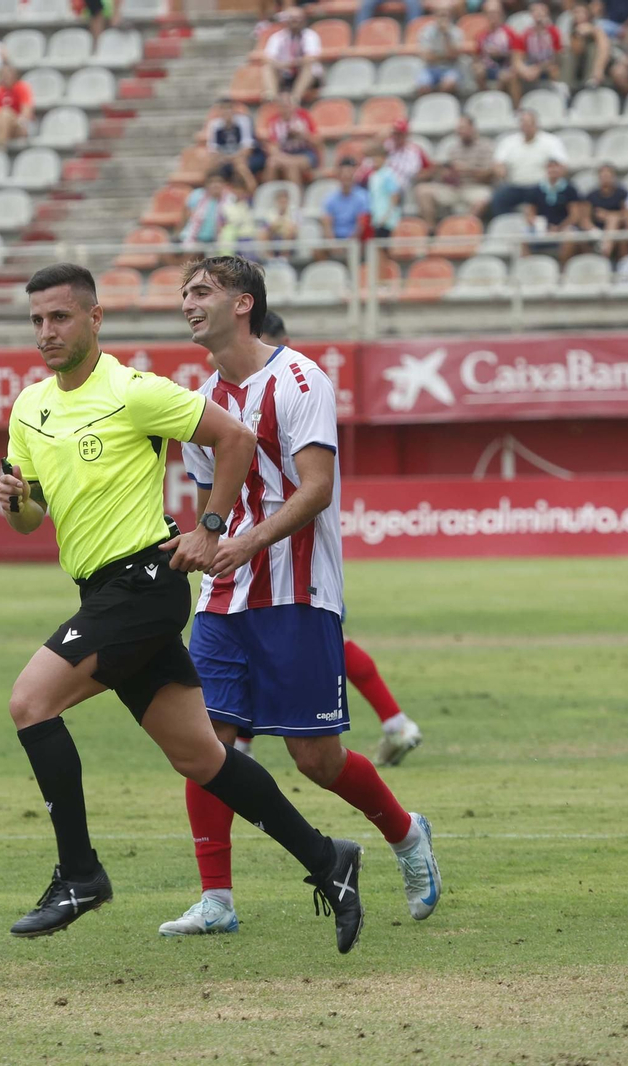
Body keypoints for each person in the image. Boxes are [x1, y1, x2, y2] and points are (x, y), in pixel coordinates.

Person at [0, 262, 365, 951]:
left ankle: (79, 874)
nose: (47, 332)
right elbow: (32, 514)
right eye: (38, 320)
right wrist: (19, 505)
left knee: (29, 702)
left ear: (94, 318)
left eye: (61, 317)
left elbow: (238, 439)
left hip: (144, 582)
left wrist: (213, 527)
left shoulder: (135, 391)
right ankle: (328, 860)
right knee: (203, 758)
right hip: (100, 591)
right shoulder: (29, 407)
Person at [158, 257, 439, 939]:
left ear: (243, 303)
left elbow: (316, 488)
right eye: (185, 294)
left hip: (299, 590)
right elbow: (209, 503)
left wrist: (247, 542)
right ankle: (217, 900)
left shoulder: (301, 378)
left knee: (315, 760)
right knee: (206, 746)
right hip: (224, 597)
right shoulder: (201, 399)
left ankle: (406, 836)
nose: (188, 304)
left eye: (202, 293)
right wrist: (202, 541)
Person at [254, 311, 426, 769]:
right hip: (270, 557)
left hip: (299, 556)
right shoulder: (236, 390)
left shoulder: (300, 385)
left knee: (286, 651)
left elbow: (314, 484)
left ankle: (237, 749)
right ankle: (395, 722)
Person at [415, 115, 493, 225]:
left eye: (463, 128)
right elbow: (442, 173)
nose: (460, 132)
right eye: (458, 129)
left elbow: (489, 175)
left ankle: (465, 229)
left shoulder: (485, 146)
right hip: (454, 188)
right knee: (422, 191)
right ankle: (431, 231)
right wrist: (445, 174)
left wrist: (467, 170)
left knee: (484, 199)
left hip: (474, 187)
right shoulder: (452, 147)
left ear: (472, 128)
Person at [489, 109, 567, 218]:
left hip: (541, 187)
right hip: (515, 186)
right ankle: (505, 227)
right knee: (499, 198)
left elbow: (562, 164)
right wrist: (500, 170)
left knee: (555, 198)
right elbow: (498, 163)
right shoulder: (508, 142)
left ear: (536, 124)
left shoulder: (551, 141)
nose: (526, 127)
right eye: (523, 123)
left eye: (529, 124)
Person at [521, 157, 589, 263]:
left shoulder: (569, 189)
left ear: (561, 170)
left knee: (570, 235)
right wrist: (540, 226)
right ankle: (528, 265)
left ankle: (562, 267)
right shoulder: (535, 190)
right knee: (524, 235)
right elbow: (530, 213)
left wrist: (559, 228)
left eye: (556, 167)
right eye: (550, 167)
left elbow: (574, 215)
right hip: (542, 228)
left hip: (563, 227)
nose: (553, 170)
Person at [262, 7, 322, 105]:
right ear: (287, 21)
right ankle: (272, 97)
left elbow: (311, 57)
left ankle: (295, 98)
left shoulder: (310, 35)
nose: (295, 22)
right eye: (292, 19)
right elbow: (267, 58)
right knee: (267, 67)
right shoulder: (277, 37)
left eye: (298, 19)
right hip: (285, 73)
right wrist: (281, 65)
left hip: (305, 75)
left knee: (309, 66)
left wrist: (292, 63)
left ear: (303, 20)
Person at [508, 1, 562, 104]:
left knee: (554, 70)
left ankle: (556, 103)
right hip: (531, 65)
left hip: (548, 66)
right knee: (513, 74)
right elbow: (516, 59)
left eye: (542, 12)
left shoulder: (554, 32)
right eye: (536, 12)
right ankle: (517, 107)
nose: (539, 15)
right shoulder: (525, 34)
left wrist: (539, 68)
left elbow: (557, 58)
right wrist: (524, 70)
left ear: (547, 14)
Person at [257, 101, 319, 185]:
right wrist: (281, 156)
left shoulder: (304, 117)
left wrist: (302, 135)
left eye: (288, 106)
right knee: (271, 163)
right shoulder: (274, 122)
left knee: (291, 166)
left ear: (294, 107)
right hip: (284, 153)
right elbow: (272, 146)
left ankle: (296, 196)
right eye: (283, 106)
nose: (286, 109)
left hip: (305, 153)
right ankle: (268, 194)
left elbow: (317, 142)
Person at [417, 1, 465, 95]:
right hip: (430, 68)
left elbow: (454, 56)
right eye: (440, 15)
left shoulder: (457, 32)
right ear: (435, 15)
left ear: (450, 16)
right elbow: (427, 57)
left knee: (449, 84)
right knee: (423, 86)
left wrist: (446, 35)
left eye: (445, 15)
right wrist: (445, 55)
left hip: (450, 68)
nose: (443, 18)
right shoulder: (426, 32)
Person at [561, 1, 611, 89]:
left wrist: (592, 31)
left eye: (582, 12)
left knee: (592, 48)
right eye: (576, 12)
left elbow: (604, 47)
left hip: (602, 64)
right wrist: (578, 35)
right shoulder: (570, 27)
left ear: (588, 14)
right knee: (567, 54)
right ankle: (565, 86)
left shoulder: (596, 25)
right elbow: (576, 50)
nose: (579, 15)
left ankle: (591, 81)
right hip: (580, 64)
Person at [585, 163, 628, 259]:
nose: (605, 178)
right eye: (603, 175)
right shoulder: (591, 195)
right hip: (597, 229)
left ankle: (605, 251)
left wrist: (607, 215)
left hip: (618, 227)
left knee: (613, 219)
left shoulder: (621, 193)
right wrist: (595, 231)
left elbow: (627, 214)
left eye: (608, 175)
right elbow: (586, 218)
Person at [320, 160, 370, 245]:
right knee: (317, 250)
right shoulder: (330, 198)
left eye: (349, 175)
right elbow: (327, 222)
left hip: (355, 240)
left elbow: (362, 224)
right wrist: (333, 242)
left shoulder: (363, 196)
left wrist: (349, 243)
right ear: (338, 177)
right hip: (336, 238)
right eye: (344, 175)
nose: (346, 177)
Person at [364, 144, 402, 239]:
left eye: (377, 158)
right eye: (373, 158)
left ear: (384, 158)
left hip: (388, 221)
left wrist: (386, 217)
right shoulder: (373, 176)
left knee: (386, 246)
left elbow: (394, 197)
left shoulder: (388, 175)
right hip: (377, 219)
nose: (375, 161)